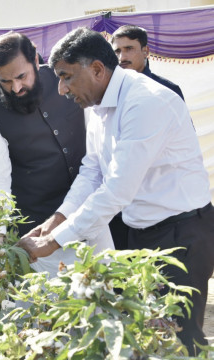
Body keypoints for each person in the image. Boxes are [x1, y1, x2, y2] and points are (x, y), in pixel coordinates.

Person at [19, 27, 213, 355]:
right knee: (145, 331)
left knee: (180, 337)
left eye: (66, 77)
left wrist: (54, 242)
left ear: (96, 69)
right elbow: (92, 171)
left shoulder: (145, 102)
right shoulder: (97, 103)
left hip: (183, 234)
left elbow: (116, 190)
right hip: (142, 233)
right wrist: (55, 220)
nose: (63, 90)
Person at [0, 31, 114, 276]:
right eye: (5, 82)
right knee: (55, 308)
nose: (16, 87)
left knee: (102, 298)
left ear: (35, 59)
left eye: (22, 76)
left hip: (91, 215)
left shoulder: (67, 80)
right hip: (40, 235)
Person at [111, 25, 184, 100]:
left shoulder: (169, 90)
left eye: (129, 49)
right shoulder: (110, 91)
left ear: (145, 51)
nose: (122, 58)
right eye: (117, 51)